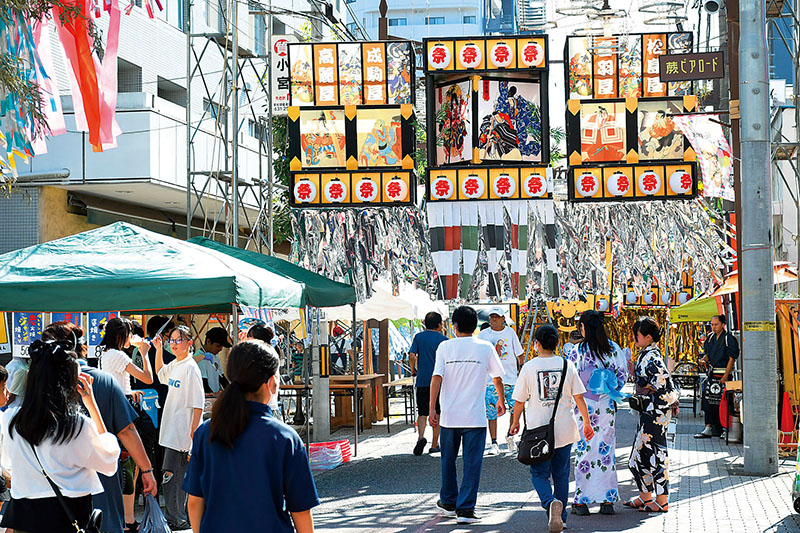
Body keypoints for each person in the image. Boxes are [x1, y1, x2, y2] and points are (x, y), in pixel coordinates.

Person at [183, 340, 319, 532]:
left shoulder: (206, 432)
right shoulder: (285, 438)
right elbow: (301, 511)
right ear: (271, 383)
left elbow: (195, 501)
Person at [43, 321, 158, 533]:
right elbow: (127, 430)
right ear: (82, 347)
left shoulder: (38, 385)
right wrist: (147, 469)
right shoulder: (100, 380)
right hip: (99, 480)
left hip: (51, 484)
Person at [0, 339, 120, 533]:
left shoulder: (11, 419)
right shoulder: (77, 425)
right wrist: (92, 404)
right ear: (70, 381)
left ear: (32, 378)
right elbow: (109, 462)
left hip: (25, 516)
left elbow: (8, 464)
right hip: (70, 515)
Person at [510, 325, 593, 533]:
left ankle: (549, 504)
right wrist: (587, 422)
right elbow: (579, 397)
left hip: (539, 431)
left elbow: (519, 401)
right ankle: (562, 517)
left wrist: (515, 422)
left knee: (539, 473)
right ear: (557, 343)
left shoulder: (529, 367)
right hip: (564, 430)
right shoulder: (567, 365)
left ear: (536, 344)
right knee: (562, 475)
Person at [429, 306, 505, 525]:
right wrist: (500, 400)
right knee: (472, 463)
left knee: (448, 460)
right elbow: (497, 377)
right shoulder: (485, 346)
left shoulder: (445, 346)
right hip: (475, 416)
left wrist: (433, 408)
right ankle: (466, 509)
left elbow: (436, 378)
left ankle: (449, 501)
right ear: (475, 326)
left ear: (454, 326)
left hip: (449, 416)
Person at [566, 311, 629, 516]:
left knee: (584, 449)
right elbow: (622, 375)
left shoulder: (578, 351)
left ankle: (582, 501)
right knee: (605, 449)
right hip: (606, 404)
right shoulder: (613, 348)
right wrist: (609, 388)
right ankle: (607, 500)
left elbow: (571, 380)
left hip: (584, 405)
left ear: (585, 327)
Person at [98, 317, 155, 530]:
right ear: (122, 335)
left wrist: (131, 392)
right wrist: (144, 352)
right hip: (122, 412)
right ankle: (129, 520)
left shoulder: (104, 353)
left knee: (124, 464)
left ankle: (127, 518)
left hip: (113, 408)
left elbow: (117, 381)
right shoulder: (119, 355)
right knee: (130, 465)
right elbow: (148, 378)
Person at [626, 316, 678, 513]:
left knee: (654, 455)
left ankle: (661, 500)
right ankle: (647, 496)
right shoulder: (647, 355)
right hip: (651, 412)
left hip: (655, 413)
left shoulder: (652, 357)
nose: (635, 338)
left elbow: (663, 385)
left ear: (648, 337)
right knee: (640, 456)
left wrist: (640, 381)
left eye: (637, 335)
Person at [155, 325, 204, 530]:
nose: (173, 344)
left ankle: (177, 518)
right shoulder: (176, 364)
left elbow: (198, 405)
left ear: (189, 343)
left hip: (182, 434)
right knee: (170, 475)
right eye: (172, 340)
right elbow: (160, 374)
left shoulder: (191, 368)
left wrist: (193, 436)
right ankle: (176, 517)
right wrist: (158, 350)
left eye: (178, 340)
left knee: (173, 477)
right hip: (171, 431)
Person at [478, 306, 524, 456]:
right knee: (491, 412)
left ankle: (510, 436)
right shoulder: (483, 334)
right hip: (490, 380)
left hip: (510, 378)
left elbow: (519, 353)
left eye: (496, 317)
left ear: (503, 318)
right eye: (491, 317)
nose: (493, 319)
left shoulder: (510, 332)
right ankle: (494, 442)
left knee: (515, 409)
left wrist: (521, 371)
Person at [408, 311, 448, 456]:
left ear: (425, 323)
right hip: (440, 382)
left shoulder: (418, 337)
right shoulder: (444, 340)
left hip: (423, 380)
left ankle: (420, 437)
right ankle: (434, 444)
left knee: (423, 412)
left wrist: (413, 369)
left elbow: (412, 355)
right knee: (437, 412)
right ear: (439, 324)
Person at [695, 314, 739, 439]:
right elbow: (708, 354)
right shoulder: (709, 338)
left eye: (716, 324)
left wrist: (726, 376)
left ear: (723, 324)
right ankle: (708, 427)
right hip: (712, 373)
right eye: (712, 325)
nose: (713, 327)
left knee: (724, 402)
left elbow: (732, 359)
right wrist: (704, 359)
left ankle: (725, 428)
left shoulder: (729, 339)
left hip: (723, 373)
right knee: (708, 400)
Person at [246, 324, 283, 420]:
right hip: (268, 410)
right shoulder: (270, 354)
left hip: (265, 411)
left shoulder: (263, 357)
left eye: (249, 337)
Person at [193, 327, 232, 394]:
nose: (220, 349)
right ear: (208, 342)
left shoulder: (215, 355)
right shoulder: (200, 359)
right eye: (218, 346)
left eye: (222, 346)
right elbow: (203, 384)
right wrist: (213, 396)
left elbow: (221, 377)